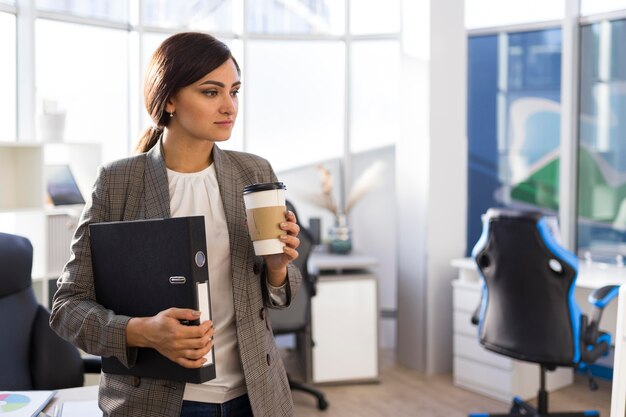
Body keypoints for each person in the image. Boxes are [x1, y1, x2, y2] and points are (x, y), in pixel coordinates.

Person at [50, 32, 302, 417]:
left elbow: (280, 296)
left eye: (234, 92)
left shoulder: (254, 172)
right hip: (158, 403)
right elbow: (67, 308)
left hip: (256, 398)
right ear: (169, 99)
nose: (229, 105)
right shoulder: (120, 182)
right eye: (210, 92)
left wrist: (278, 268)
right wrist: (141, 331)